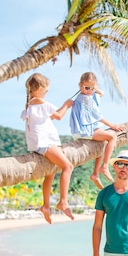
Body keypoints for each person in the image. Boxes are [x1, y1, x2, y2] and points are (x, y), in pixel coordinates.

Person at [21, 73, 75, 224]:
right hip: (45, 143)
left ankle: (46, 206)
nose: (46, 93)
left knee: (50, 173)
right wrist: (67, 105)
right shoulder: (40, 101)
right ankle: (63, 201)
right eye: (46, 90)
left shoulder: (31, 104)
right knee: (68, 166)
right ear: (39, 89)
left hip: (39, 144)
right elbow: (58, 116)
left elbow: (48, 118)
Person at [69, 71, 125, 189]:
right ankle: (104, 166)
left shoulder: (83, 95)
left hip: (81, 129)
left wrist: (94, 89)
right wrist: (113, 125)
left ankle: (95, 174)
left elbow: (101, 93)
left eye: (91, 88)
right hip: (85, 129)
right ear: (80, 85)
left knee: (102, 143)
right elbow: (97, 116)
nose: (89, 91)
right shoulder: (86, 99)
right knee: (112, 137)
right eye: (86, 87)